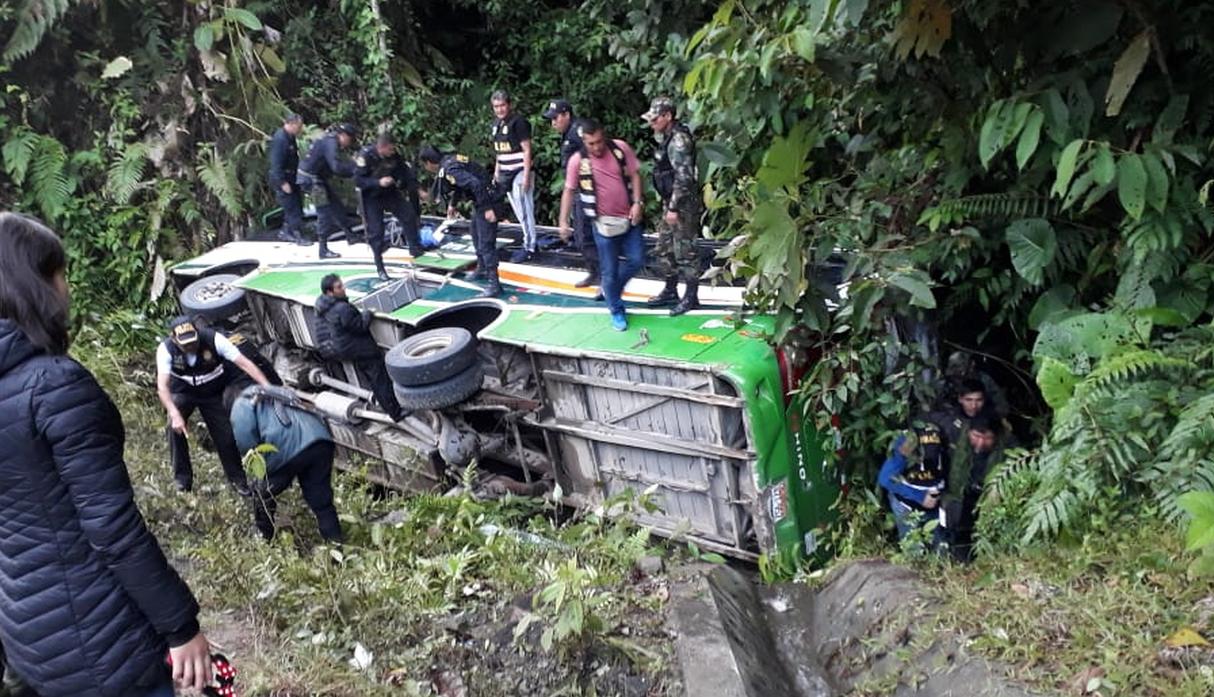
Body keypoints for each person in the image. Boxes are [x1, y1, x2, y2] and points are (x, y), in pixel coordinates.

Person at [0, 212, 213, 697]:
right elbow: (112, 530)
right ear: (35, 285)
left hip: (28, 636)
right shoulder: (54, 387)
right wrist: (181, 627)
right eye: (59, 272)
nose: (67, 287)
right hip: (99, 641)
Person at [156, 315, 270, 495]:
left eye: (193, 341)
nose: (190, 347)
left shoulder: (214, 339)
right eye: (185, 344)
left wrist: (267, 387)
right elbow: (162, 387)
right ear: (173, 339)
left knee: (225, 438)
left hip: (212, 392)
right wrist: (175, 414)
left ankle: (238, 481)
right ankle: (182, 481)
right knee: (174, 425)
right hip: (183, 392)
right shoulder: (166, 350)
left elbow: (245, 364)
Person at [559, 119, 644, 331]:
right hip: (603, 224)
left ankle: (611, 290)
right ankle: (616, 309)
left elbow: (634, 174)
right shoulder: (577, 161)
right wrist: (563, 221)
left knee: (638, 259)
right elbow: (569, 191)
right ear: (584, 142)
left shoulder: (619, 148)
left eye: (599, 142)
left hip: (629, 218)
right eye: (591, 144)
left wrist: (637, 202)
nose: (597, 147)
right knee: (609, 271)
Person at [230, 385, 343, 543]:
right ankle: (337, 548)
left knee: (263, 494)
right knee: (322, 503)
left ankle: (264, 539)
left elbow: (246, 441)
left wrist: (257, 470)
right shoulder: (272, 390)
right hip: (320, 441)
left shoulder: (241, 402)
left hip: (287, 449)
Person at [643, 97, 704, 316]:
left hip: (682, 205)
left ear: (668, 116)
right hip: (669, 202)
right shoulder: (666, 138)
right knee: (664, 247)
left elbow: (684, 177)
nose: (652, 123)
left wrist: (674, 207)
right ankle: (670, 289)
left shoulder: (679, 140)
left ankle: (691, 296)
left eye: (655, 118)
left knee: (684, 251)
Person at [419, 145, 506, 298]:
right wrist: (453, 204)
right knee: (475, 232)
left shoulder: (449, 169)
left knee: (486, 243)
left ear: (428, 163)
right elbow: (461, 185)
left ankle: (494, 284)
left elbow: (475, 184)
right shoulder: (450, 160)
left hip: (488, 200)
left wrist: (487, 209)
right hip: (482, 199)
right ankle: (482, 267)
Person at [314, 274, 403, 420]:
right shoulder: (342, 308)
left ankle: (388, 408)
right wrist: (368, 313)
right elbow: (360, 326)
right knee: (380, 380)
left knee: (373, 380)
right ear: (330, 292)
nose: (343, 289)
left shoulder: (322, 306)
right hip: (360, 349)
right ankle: (396, 412)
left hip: (344, 349)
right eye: (339, 287)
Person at [354, 132, 425, 280]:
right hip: (372, 197)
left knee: (408, 215)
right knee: (377, 233)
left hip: (390, 193)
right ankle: (380, 267)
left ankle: (415, 248)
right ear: (382, 147)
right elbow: (358, 181)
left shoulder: (393, 156)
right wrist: (377, 182)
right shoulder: (366, 156)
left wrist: (417, 188)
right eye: (390, 149)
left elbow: (405, 172)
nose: (392, 152)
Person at [543, 98, 597, 287]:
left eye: (556, 118)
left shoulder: (577, 132)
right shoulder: (570, 132)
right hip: (582, 189)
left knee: (585, 236)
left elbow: (594, 157)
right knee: (586, 235)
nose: (553, 123)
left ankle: (598, 274)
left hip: (587, 190)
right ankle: (597, 272)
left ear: (566, 115)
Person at [939, 416, 1003, 560]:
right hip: (959, 501)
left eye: (987, 438)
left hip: (987, 503)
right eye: (976, 436)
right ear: (968, 432)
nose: (980, 443)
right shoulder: (956, 444)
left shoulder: (1004, 452)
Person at [877, 419, 949, 546]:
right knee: (912, 548)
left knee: (940, 548)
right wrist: (920, 497)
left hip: (935, 500)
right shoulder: (906, 440)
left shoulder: (947, 437)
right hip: (907, 502)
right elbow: (885, 479)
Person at [489, 90, 537, 263]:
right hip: (505, 173)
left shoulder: (518, 122)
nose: (500, 109)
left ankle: (530, 247)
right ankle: (528, 240)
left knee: (525, 210)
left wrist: (525, 175)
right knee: (518, 210)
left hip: (519, 171)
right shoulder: (496, 125)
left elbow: (527, 149)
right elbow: (499, 151)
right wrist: (497, 172)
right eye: (496, 106)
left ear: (508, 105)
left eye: (502, 105)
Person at [299, 122, 359, 259]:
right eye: (350, 140)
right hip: (311, 180)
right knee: (324, 213)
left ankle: (351, 236)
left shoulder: (330, 140)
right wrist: (354, 168)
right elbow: (336, 167)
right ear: (343, 136)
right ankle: (323, 249)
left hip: (318, 179)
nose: (349, 144)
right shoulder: (331, 143)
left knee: (337, 206)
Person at [268, 112, 307, 245]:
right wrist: (282, 182)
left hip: (292, 176)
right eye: (299, 126)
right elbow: (276, 164)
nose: (300, 129)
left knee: (295, 204)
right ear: (291, 124)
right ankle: (297, 235)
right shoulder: (280, 139)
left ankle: (287, 230)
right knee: (292, 207)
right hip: (283, 178)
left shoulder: (290, 137)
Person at [928, 378, 989, 447]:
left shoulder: (991, 422)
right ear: (960, 399)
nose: (974, 405)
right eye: (969, 400)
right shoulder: (945, 419)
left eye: (979, 400)